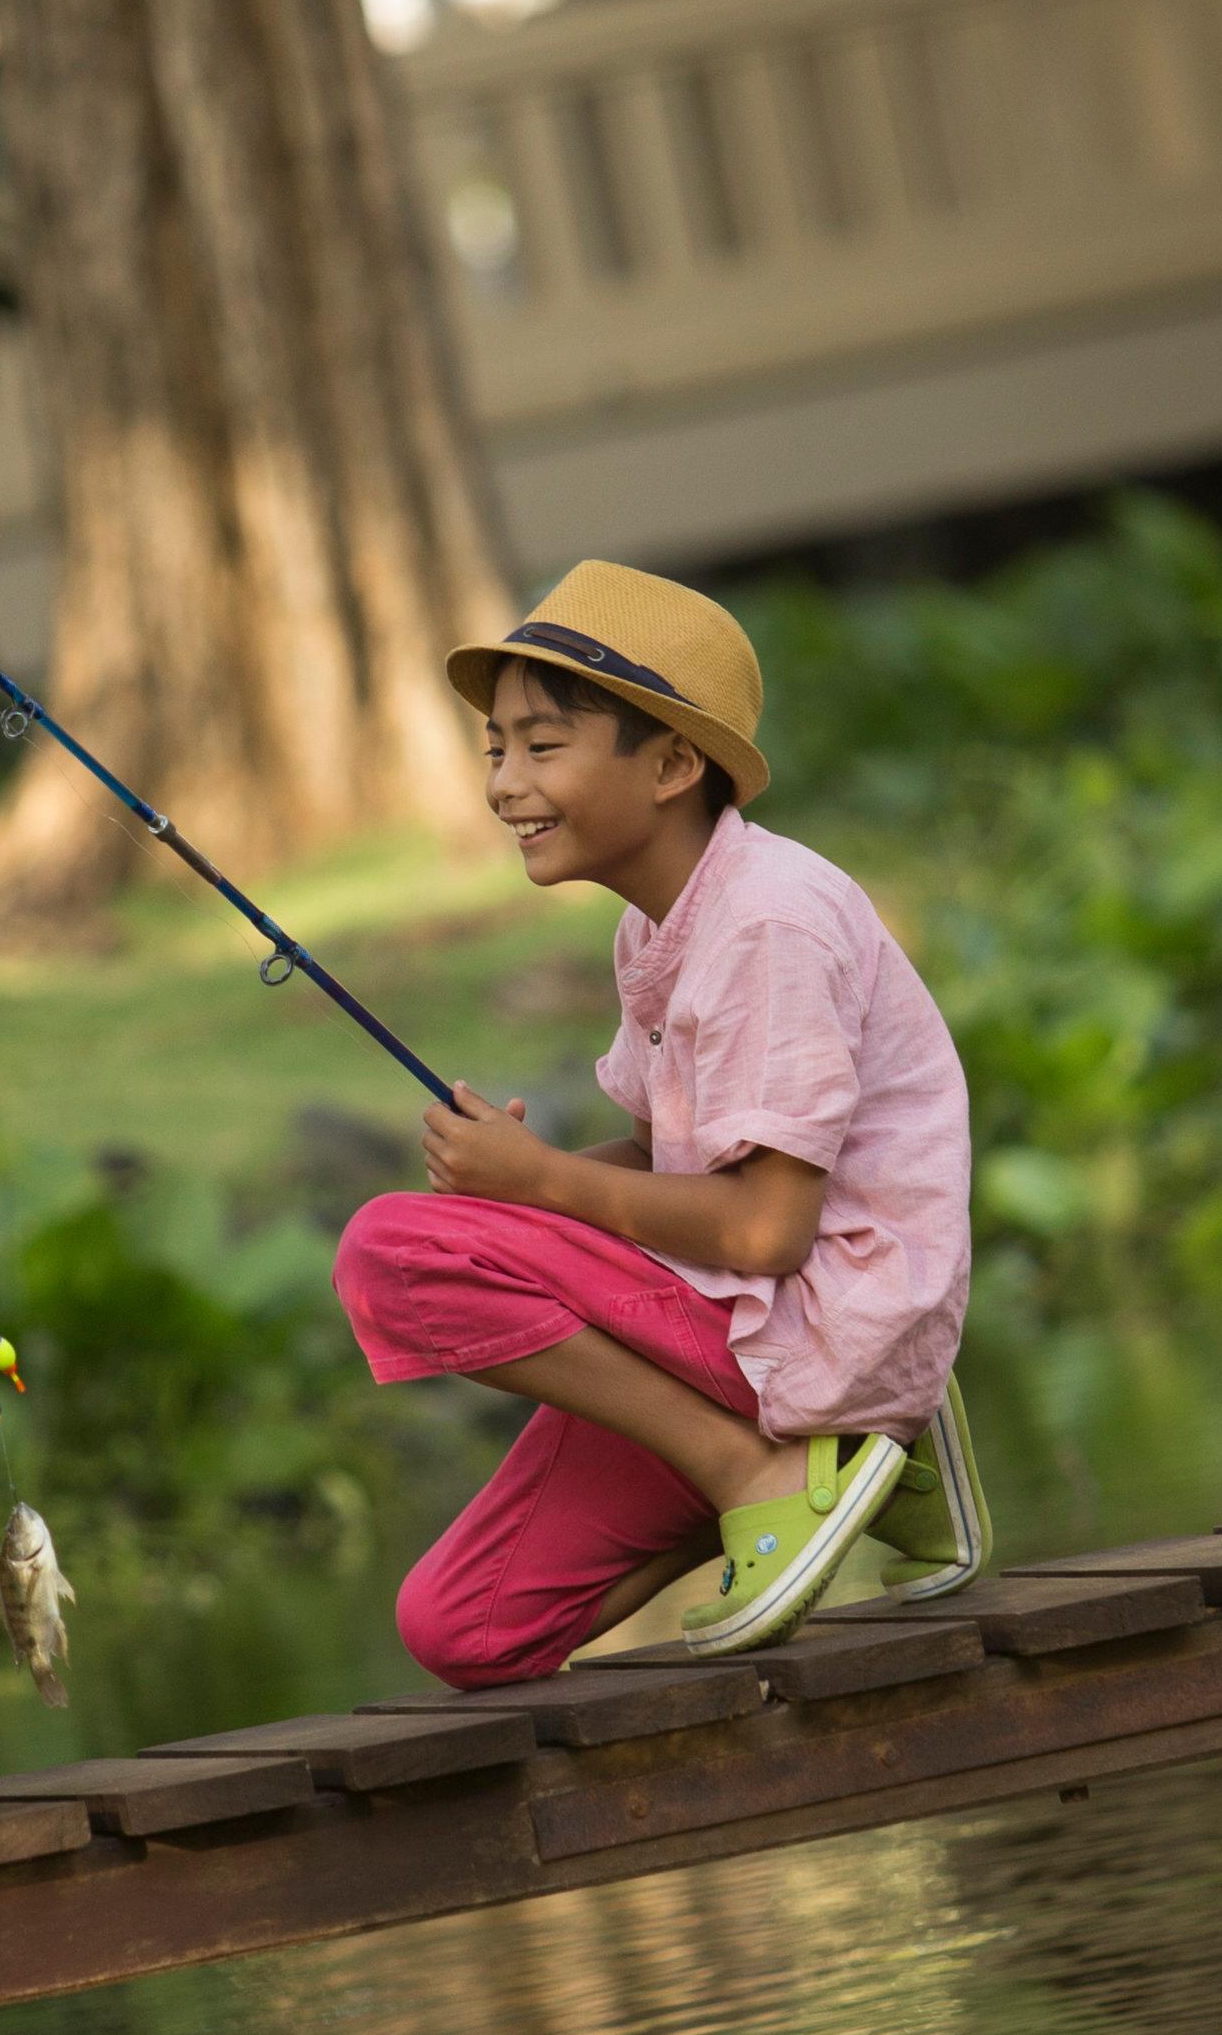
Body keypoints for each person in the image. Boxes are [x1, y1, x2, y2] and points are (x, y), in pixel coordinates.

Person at [335, 563, 984, 1679]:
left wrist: (533, 1187)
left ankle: (768, 1473)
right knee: (465, 1632)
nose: (503, 784)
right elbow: (666, 1157)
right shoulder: (659, 926)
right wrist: (516, 1183)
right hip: (730, 1332)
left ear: (675, 764)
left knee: (390, 1251)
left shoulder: (770, 920)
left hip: (807, 1314)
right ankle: (859, 1463)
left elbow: (766, 1232)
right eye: (497, 748)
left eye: (543, 747)